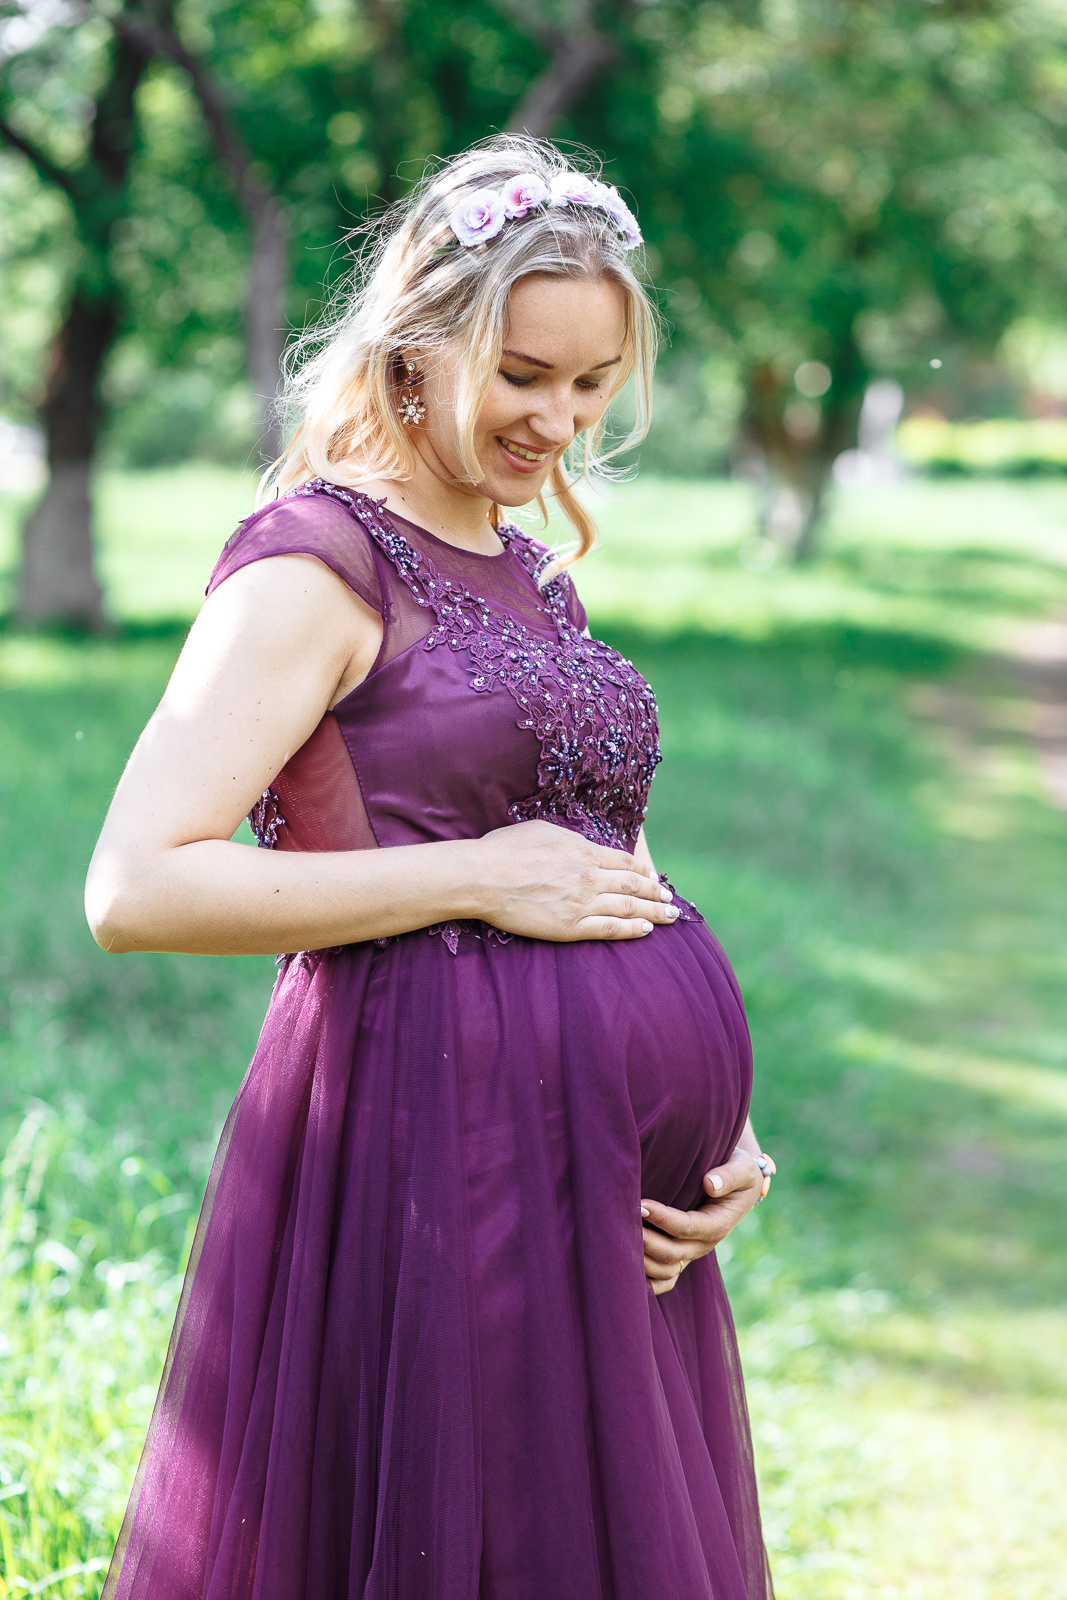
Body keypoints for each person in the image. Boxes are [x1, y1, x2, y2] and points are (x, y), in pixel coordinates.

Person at [86, 134, 776, 1600]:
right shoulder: (312, 564)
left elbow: (603, 858)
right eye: (525, 376)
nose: (562, 422)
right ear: (422, 342)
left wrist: (728, 1138)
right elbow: (136, 886)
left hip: (605, 1192)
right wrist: (468, 877)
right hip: (436, 1150)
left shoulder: (529, 567)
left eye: (592, 386)